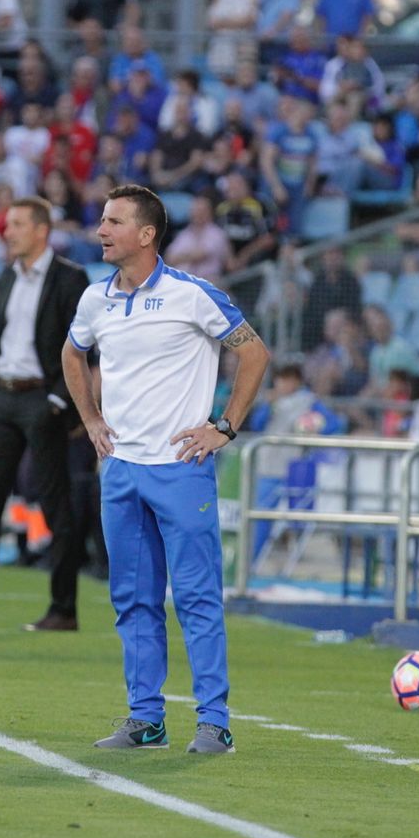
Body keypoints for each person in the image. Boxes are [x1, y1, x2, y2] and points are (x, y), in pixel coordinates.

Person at [63, 183, 270, 755]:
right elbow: (71, 353)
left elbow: (253, 353)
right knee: (132, 600)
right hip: (122, 469)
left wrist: (224, 426)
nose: (100, 230)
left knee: (198, 598)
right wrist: (91, 418)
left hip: (181, 469)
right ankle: (146, 718)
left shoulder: (193, 294)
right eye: (102, 220)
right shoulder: (94, 299)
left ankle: (215, 721)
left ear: (146, 234)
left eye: (113, 221)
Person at [0, 198, 89, 632]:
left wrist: (58, 401)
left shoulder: (71, 279)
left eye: (16, 224)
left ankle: (63, 608)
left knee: (55, 504)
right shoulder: (5, 277)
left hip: (41, 399)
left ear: (41, 231)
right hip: (1, 399)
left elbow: (85, 346)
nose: (7, 231)